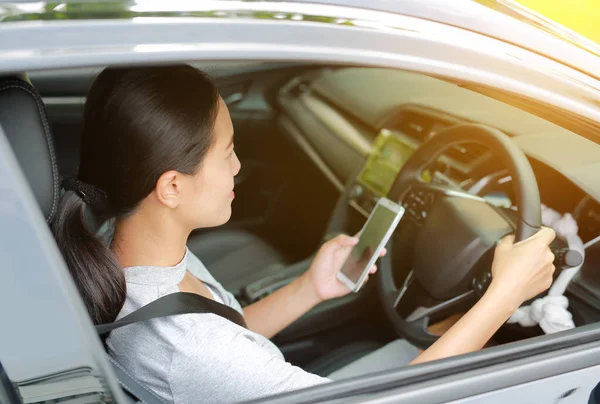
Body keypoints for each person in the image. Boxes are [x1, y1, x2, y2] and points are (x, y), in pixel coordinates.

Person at [51, 65, 556, 404]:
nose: (239, 165)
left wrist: (309, 288)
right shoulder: (187, 348)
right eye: (227, 152)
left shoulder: (124, 241)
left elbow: (226, 330)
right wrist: (505, 293)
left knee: (446, 335)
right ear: (171, 186)